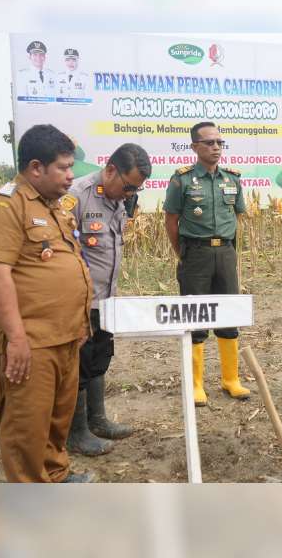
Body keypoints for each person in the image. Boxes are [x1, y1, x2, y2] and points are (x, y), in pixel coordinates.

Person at [0, 124, 94, 483]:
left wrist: (79, 324)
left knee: (57, 419)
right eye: (64, 168)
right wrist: (17, 340)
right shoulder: (3, 208)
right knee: (27, 425)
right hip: (29, 340)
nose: (71, 176)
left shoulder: (54, 207)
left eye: (72, 167)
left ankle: (55, 476)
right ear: (36, 167)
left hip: (64, 335)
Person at [65, 144, 151, 456]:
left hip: (106, 299)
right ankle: (76, 433)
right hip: (79, 302)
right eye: (128, 186)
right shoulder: (77, 196)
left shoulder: (121, 200)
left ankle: (97, 421)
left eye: (136, 189)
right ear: (110, 169)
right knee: (79, 366)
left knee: (99, 357)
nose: (130, 194)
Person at [163, 121, 251, 407]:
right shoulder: (182, 180)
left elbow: (237, 216)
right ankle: (196, 384)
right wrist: (184, 253)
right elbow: (171, 220)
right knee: (195, 316)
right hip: (196, 254)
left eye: (219, 143)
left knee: (229, 314)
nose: (216, 147)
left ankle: (230, 379)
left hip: (225, 253)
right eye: (209, 143)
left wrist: (228, 249)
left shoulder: (232, 179)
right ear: (195, 147)